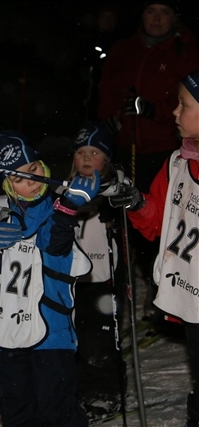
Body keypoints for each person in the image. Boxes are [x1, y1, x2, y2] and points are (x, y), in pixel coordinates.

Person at [0, 130, 100, 426]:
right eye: (19, 177)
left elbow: (53, 244)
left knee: (56, 411)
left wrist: (68, 208)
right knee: (17, 411)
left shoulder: (57, 207)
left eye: (34, 168)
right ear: (6, 184)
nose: (32, 180)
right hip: (6, 332)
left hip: (51, 332)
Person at [107, 70, 199, 427]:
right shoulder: (177, 162)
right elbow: (160, 221)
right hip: (190, 296)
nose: (174, 112)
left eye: (184, 105)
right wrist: (136, 203)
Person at [97, 0, 199, 317]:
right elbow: (106, 89)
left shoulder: (184, 50)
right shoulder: (124, 49)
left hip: (163, 148)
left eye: (164, 12)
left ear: (175, 18)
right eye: (151, 11)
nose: (156, 19)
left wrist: (154, 110)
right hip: (128, 144)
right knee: (131, 218)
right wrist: (110, 119)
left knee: (168, 222)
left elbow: (186, 102)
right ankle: (134, 286)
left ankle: (163, 288)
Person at [66, 121, 127, 419]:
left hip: (104, 277)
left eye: (94, 152)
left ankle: (107, 390)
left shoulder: (114, 190)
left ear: (107, 159)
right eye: (81, 152)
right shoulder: (65, 190)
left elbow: (129, 212)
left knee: (100, 339)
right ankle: (82, 388)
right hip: (74, 278)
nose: (87, 158)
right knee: (76, 336)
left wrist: (113, 209)